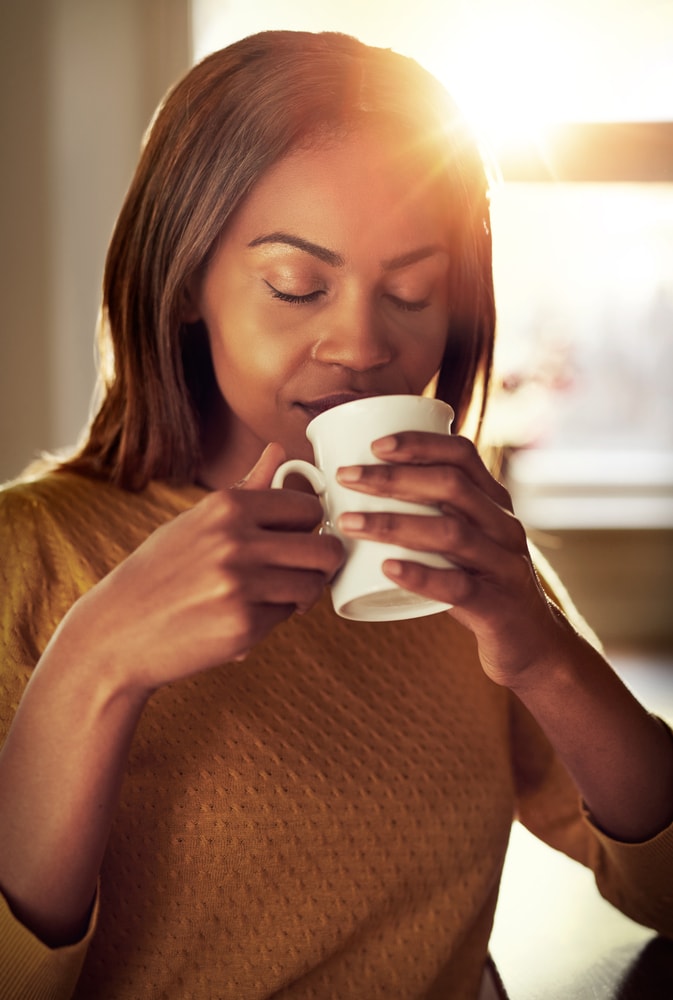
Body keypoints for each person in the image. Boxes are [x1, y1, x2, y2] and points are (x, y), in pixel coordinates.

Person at [0, 28, 671, 1000]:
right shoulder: (30, 553)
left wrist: (538, 645)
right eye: (296, 285)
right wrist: (96, 661)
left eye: (410, 292)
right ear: (186, 279)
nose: (360, 343)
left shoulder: (458, 548)